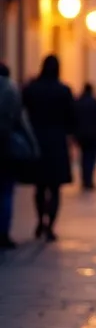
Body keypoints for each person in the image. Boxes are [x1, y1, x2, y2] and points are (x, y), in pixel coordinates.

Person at [21, 55, 74, 241]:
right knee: (55, 187)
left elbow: (22, 112)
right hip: (57, 142)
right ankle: (50, 225)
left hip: (36, 140)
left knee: (40, 186)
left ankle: (39, 221)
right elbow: (70, 118)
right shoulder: (64, 91)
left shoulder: (32, 89)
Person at [0, 64, 25, 249]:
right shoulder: (12, 90)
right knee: (7, 191)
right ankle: (4, 233)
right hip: (6, 144)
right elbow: (20, 120)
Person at [74, 84, 96, 192]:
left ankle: (84, 178)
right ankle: (89, 179)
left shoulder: (79, 102)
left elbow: (74, 117)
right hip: (93, 135)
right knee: (91, 158)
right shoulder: (95, 102)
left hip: (82, 134)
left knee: (83, 157)